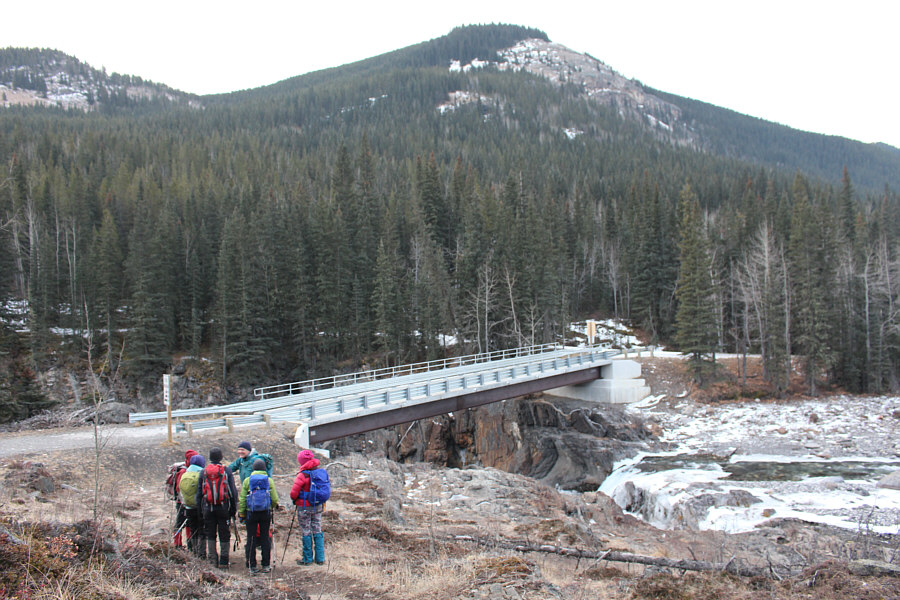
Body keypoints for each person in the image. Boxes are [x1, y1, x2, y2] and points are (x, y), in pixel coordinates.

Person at [196, 447, 238, 568]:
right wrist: (233, 509)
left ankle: (212, 561)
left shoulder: (203, 472)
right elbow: (233, 492)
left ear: (209, 458)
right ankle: (224, 561)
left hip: (208, 508)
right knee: (224, 533)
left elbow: (199, 494)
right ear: (221, 457)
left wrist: (200, 511)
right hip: (223, 507)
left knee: (210, 533)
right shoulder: (226, 471)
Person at [238, 458, 280, 573]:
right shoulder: (269, 480)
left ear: (253, 468)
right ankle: (266, 564)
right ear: (264, 469)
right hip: (265, 513)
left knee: (251, 538)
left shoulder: (247, 480)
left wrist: (242, 513)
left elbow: (242, 499)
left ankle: (252, 565)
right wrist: (271, 507)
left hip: (251, 513)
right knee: (265, 537)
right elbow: (275, 498)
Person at [289, 449, 328, 565]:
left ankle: (307, 559)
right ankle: (320, 558)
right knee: (317, 528)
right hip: (318, 506)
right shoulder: (320, 472)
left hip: (304, 507)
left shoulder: (302, 475)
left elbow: (293, 493)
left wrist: (295, 500)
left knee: (306, 530)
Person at [168, 449, 198, 548]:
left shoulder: (186, 470)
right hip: (182, 502)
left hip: (184, 501)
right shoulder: (184, 471)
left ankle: (189, 544)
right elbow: (180, 488)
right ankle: (178, 544)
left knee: (188, 522)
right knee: (180, 523)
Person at [178, 453, 206, 557]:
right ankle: (202, 554)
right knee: (202, 530)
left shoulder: (185, 474)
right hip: (200, 508)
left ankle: (194, 552)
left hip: (188, 506)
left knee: (193, 529)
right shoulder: (201, 474)